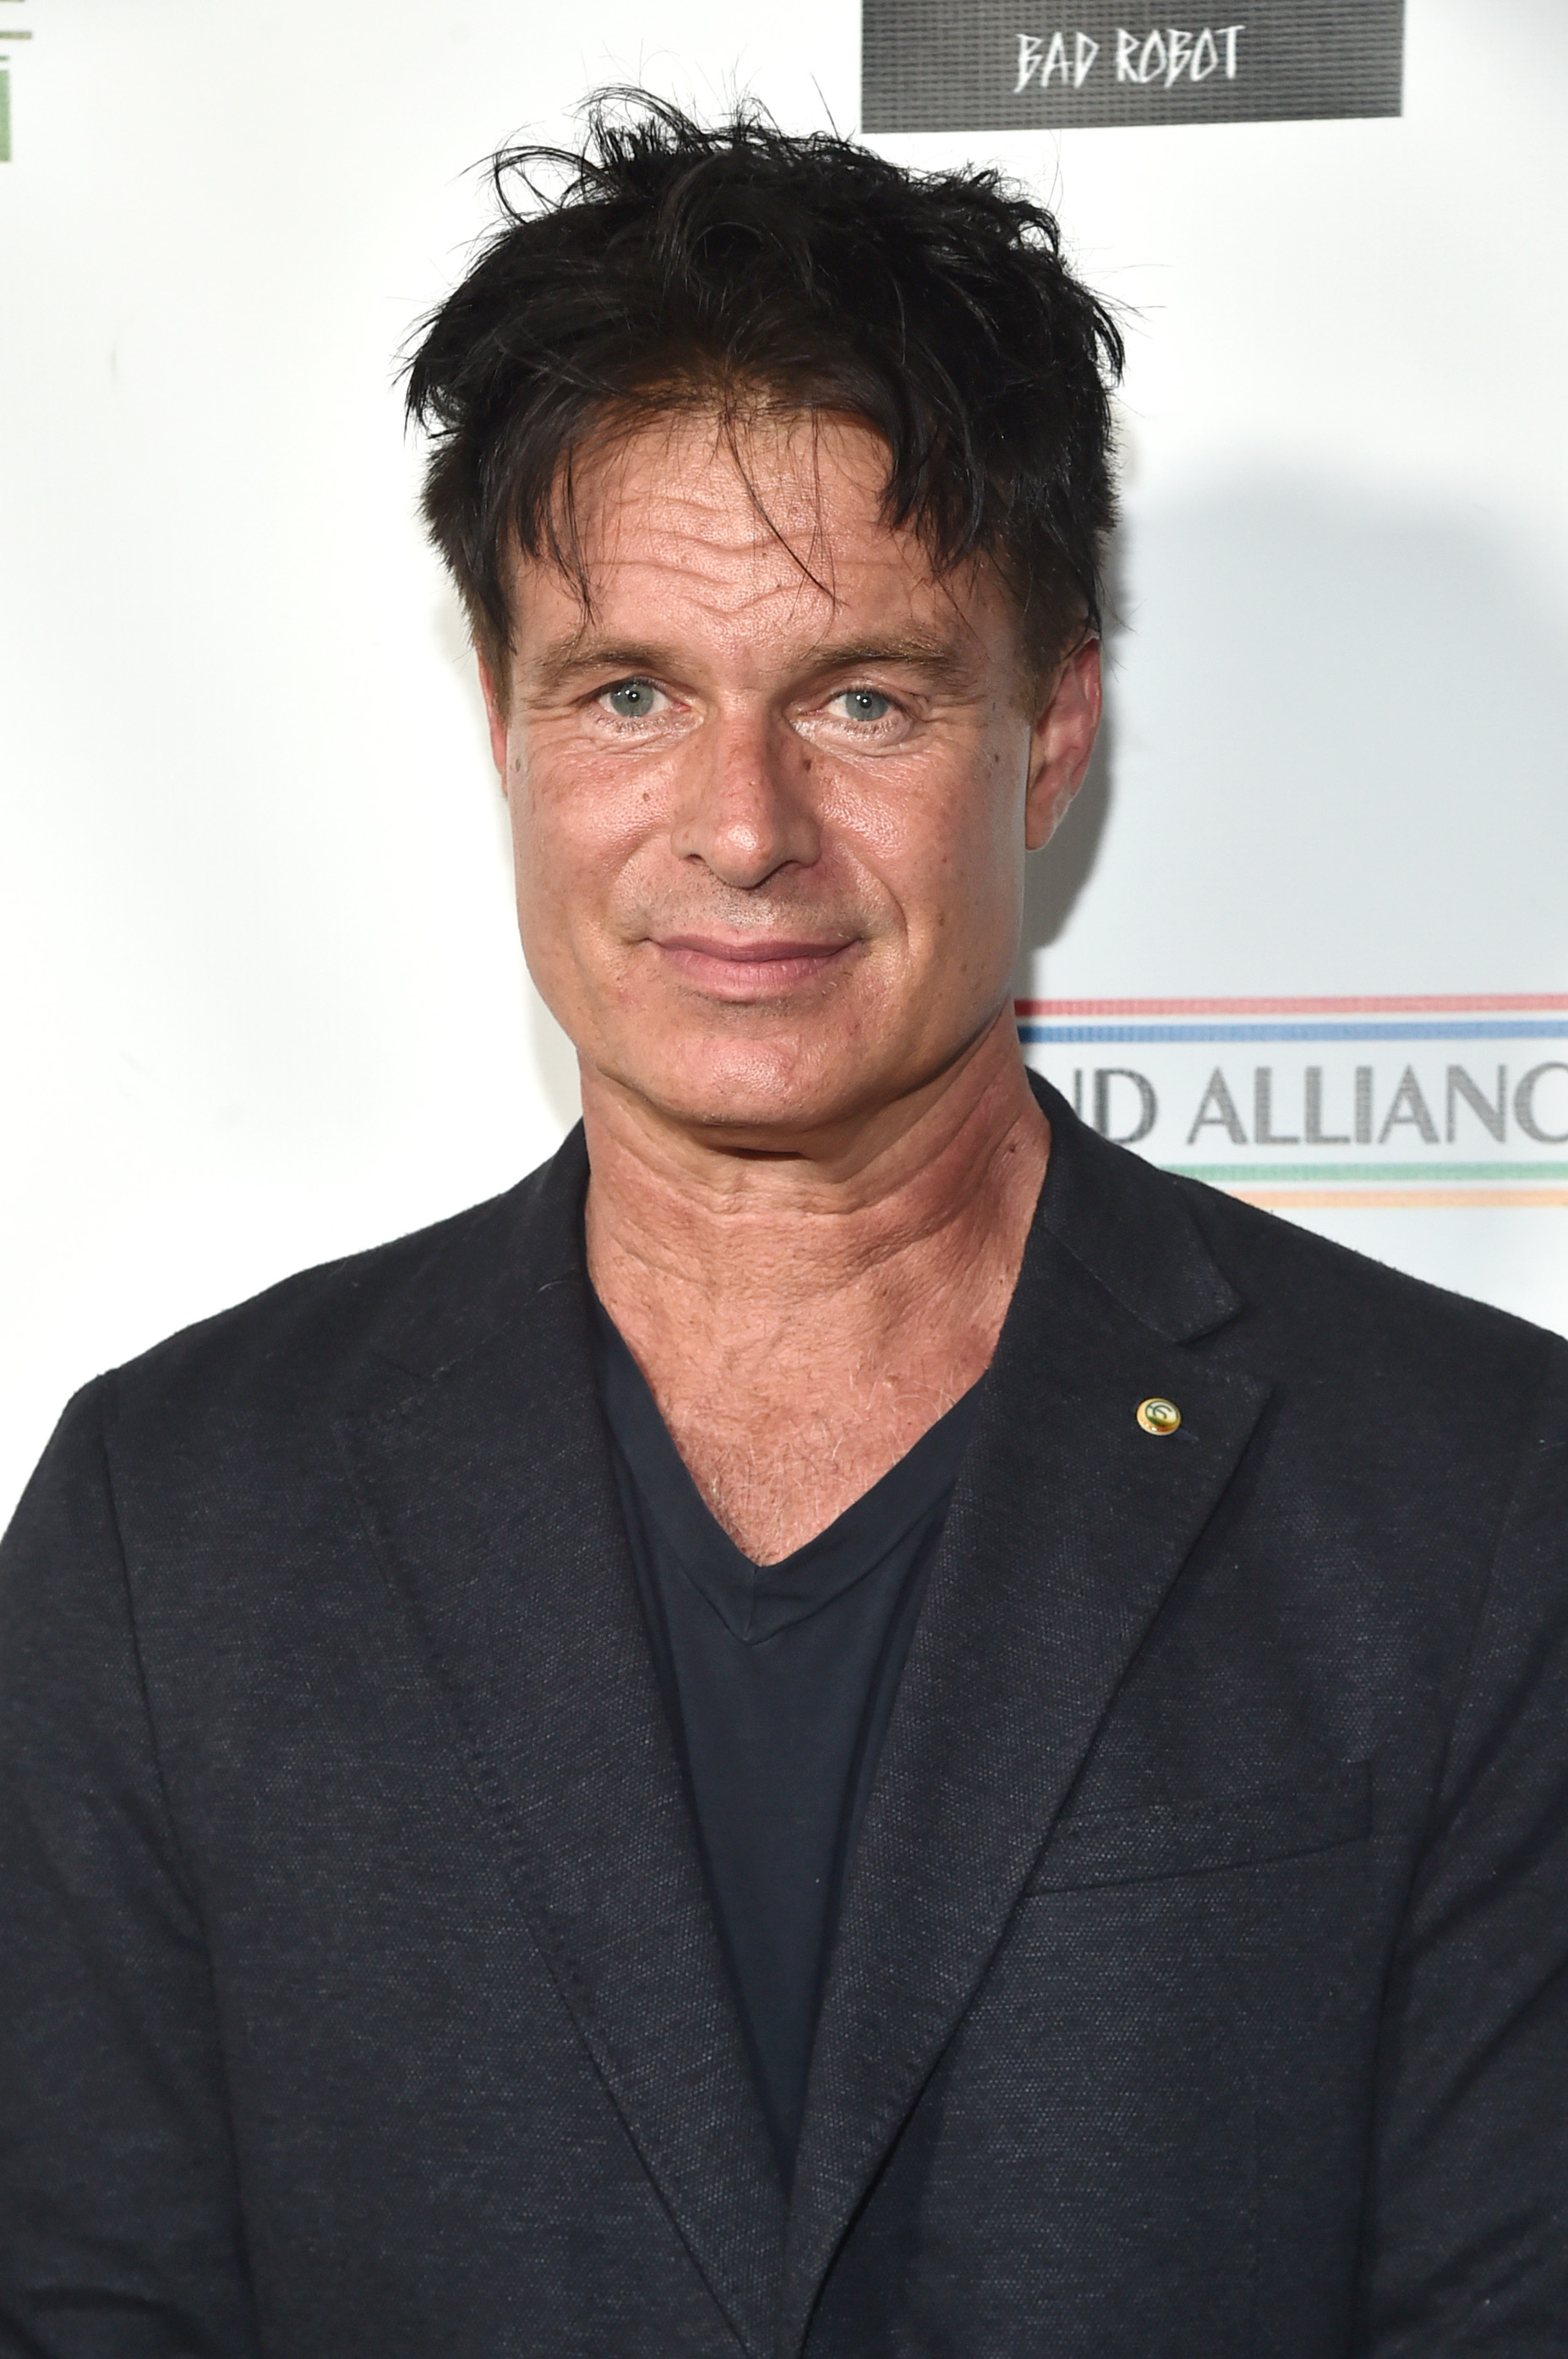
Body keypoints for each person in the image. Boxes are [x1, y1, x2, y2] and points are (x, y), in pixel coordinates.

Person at [2, 93, 1565, 2359]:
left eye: (860, 697)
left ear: (1048, 739)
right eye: (630, 694)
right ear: (509, 733)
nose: (742, 828)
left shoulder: (1473, 1505)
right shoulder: (176, 1528)